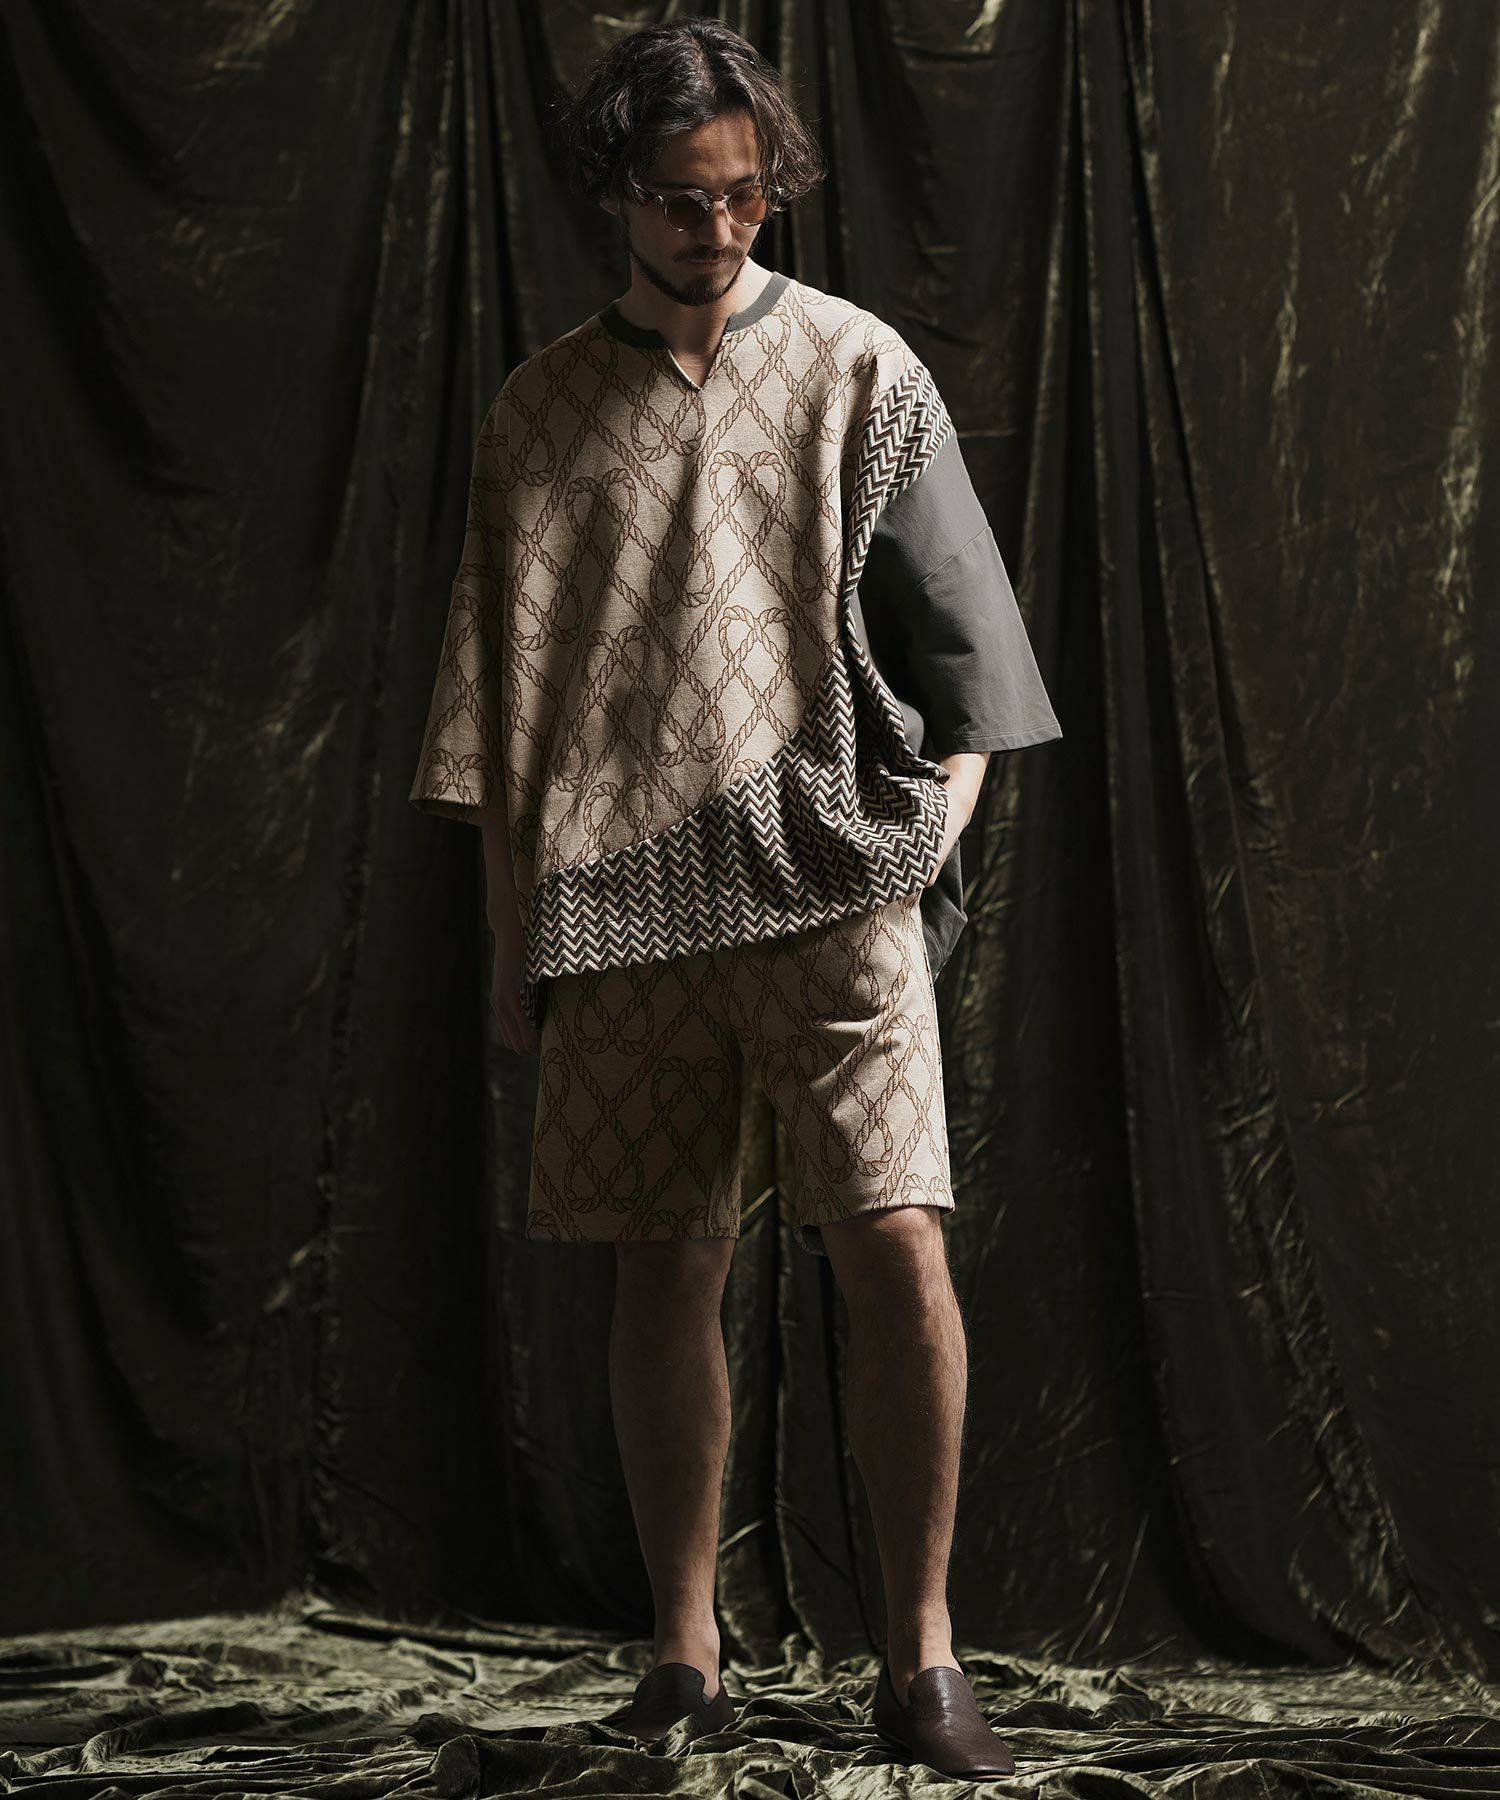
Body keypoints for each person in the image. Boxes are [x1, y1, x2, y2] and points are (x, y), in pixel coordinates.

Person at [408, 18, 1060, 1784]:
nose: (719, 226)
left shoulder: (859, 368)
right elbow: (501, 709)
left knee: (896, 1244)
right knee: (662, 1265)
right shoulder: (540, 411)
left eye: (748, 193)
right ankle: (687, 1655)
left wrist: (922, 835)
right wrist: (510, 927)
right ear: (616, 192)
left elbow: (974, 665)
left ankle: (922, 1660)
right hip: (618, 911)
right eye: (684, 197)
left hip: (829, 897)